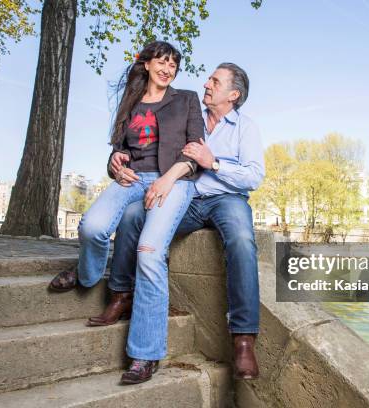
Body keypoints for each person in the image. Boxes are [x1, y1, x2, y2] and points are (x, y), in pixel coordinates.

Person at [88, 62, 265, 380]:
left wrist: (213, 162)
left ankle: (243, 339)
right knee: (132, 216)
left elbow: (254, 177)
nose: (207, 84)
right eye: (209, 78)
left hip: (226, 200)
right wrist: (115, 160)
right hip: (184, 197)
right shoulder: (186, 111)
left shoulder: (245, 127)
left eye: (215, 80)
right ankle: (120, 293)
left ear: (233, 94)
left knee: (241, 239)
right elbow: (142, 146)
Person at [47, 41, 204, 385]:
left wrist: (167, 179)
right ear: (146, 64)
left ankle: (145, 356)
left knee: (149, 252)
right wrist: (114, 164)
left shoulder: (187, 100)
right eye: (162, 62)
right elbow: (118, 152)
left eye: (173, 65)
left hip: (173, 180)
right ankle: (87, 275)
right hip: (132, 179)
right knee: (92, 227)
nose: (167, 68)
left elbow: (195, 153)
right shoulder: (130, 102)